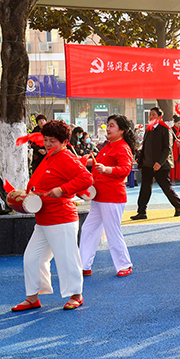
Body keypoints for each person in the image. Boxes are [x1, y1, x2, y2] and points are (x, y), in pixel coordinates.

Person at [11, 120, 93, 312]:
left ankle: (76, 295)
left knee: (67, 259)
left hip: (61, 218)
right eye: (46, 140)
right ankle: (33, 297)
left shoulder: (66, 158)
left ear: (64, 142)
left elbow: (86, 178)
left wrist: (62, 189)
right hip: (44, 218)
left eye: (52, 141)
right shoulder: (50, 156)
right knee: (32, 258)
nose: (48, 144)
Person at [79, 115, 136, 278]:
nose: (108, 128)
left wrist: (107, 169)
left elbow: (125, 169)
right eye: (107, 125)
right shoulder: (108, 146)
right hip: (99, 195)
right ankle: (84, 265)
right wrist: (79, 161)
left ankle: (124, 264)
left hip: (112, 196)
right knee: (88, 229)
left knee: (112, 232)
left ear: (122, 130)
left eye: (112, 126)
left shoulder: (122, 147)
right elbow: (97, 164)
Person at [130, 106, 180, 220]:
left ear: (160, 117)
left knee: (166, 187)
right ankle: (141, 211)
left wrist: (159, 162)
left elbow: (167, 148)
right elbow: (145, 146)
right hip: (147, 164)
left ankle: (178, 205)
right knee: (145, 188)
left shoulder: (165, 129)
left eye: (153, 114)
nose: (151, 117)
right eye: (150, 114)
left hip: (161, 165)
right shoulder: (149, 129)